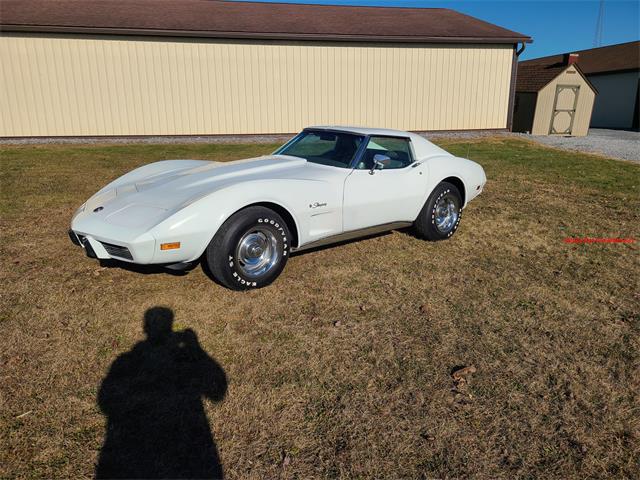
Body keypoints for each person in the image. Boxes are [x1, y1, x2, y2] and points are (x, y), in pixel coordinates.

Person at [96, 307, 227, 479]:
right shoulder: (130, 360)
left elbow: (106, 400)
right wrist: (196, 349)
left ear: (145, 328)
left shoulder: (126, 360)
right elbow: (217, 391)